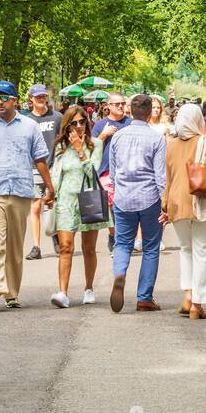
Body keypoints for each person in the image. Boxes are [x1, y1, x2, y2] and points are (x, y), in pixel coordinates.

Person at [0, 82, 54, 312]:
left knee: (14, 248)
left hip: (19, 192)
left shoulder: (29, 126)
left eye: (4, 98)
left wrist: (49, 187)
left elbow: (39, 159)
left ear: (14, 100)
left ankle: (11, 293)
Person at [165, 103, 206, 320]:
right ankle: (197, 304)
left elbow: (169, 177)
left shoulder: (171, 145)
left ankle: (188, 295)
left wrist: (165, 205)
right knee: (202, 252)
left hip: (177, 201)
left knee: (186, 249)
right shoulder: (205, 142)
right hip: (203, 203)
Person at [108, 94, 169, 313]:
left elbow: (113, 173)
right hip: (149, 198)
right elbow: (160, 175)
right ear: (148, 112)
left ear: (130, 111)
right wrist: (166, 204)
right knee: (151, 247)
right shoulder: (157, 139)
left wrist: (117, 191)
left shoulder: (118, 137)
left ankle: (120, 274)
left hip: (123, 198)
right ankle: (144, 297)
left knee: (122, 243)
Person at [49, 105, 104, 307]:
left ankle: (88, 288)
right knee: (65, 247)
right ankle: (63, 292)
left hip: (88, 200)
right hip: (66, 201)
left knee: (88, 248)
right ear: (67, 126)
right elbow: (57, 174)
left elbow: (93, 173)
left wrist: (81, 151)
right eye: (74, 123)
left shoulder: (95, 144)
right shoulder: (61, 147)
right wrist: (50, 193)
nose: (79, 126)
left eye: (82, 122)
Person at [21, 84, 61, 261]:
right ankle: (36, 246)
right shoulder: (26, 121)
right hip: (34, 167)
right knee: (36, 206)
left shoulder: (57, 117)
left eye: (43, 96)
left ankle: (56, 235)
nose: (41, 100)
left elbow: (64, 140)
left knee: (54, 205)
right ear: (31, 99)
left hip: (54, 166)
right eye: (38, 97)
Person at [93, 92, 132, 251]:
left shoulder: (131, 123)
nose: (121, 106)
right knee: (111, 207)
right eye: (117, 104)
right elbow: (91, 146)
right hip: (105, 172)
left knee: (123, 207)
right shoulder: (101, 125)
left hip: (127, 172)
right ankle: (113, 235)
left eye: (123, 103)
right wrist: (104, 135)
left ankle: (120, 237)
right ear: (108, 106)